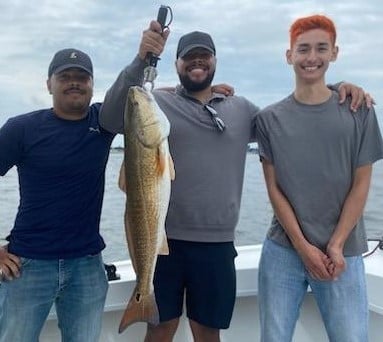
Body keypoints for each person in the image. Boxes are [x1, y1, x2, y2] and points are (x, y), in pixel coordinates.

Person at [99, 20, 372, 342]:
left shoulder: (241, 109)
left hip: (216, 244)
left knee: (208, 330)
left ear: (215, 62)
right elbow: (111, 116)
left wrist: (337, 86)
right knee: (160, 328)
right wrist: (141, 59)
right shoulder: (157, 103)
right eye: (189, 57)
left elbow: (290, 118)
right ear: (176, 64)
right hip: (163, 240)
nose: (197, 63)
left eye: (204, 57)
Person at [255, 14, 383, 342]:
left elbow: (361, 184)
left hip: (344, 251)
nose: (311, 57)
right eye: (303, 50)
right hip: (284, 250)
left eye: (321, 49)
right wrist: (303, 246)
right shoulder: (269, 119)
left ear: (334, 53)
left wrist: (336, 244)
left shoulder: (360, 111)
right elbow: (274, 189)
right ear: (289, 56)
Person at [0, 49, 122, 342]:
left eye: (82, 77)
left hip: (88, 265)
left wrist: (201, 92)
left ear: (92, 84)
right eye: (64, 76)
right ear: (49, 84)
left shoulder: (103, 122)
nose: (74, 83)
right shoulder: (21, 128)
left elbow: (141, 99)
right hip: (27, 265)